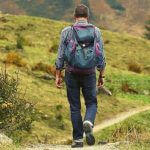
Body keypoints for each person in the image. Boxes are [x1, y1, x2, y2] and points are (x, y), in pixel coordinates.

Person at [55, 4, 106, 148]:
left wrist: (58, 74)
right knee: (91, 103)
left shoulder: (66, 31)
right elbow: (101, 54)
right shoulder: (96, 31)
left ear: (74, 16)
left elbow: (60, 55)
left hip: (71, 72)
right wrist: (101, 74)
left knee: (75, 107)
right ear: (87, 17)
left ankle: (78, 140)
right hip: (89, 73)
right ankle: (88, 121)